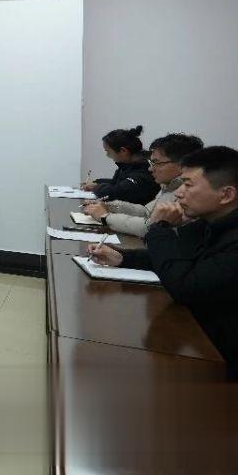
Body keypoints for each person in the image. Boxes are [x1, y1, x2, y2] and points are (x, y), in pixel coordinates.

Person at [89, 146, 238, 379]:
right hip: (201, 338)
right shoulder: (210, 222)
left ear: (226, 195)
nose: (179, 193)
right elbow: (178, 256)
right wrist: (123, 257)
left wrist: (160, 227)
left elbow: (185, 287)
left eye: (188, 185)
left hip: (221, 361)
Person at [82, 133, 203, 237]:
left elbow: (148, 227)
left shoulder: (189, 192)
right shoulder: (169, 185)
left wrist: (105, 217)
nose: (150, 169)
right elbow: (146, 211)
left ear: (182, 164)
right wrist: (110, 206)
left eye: (157, 163)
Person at [81, 125, 159, 205]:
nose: (107, 155)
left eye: (108, 152)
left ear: (123, 151)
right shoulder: (126, 165)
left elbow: (114, 193)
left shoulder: (145, 169)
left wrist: (96, 187)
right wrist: (97, 182)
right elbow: (117, 182)